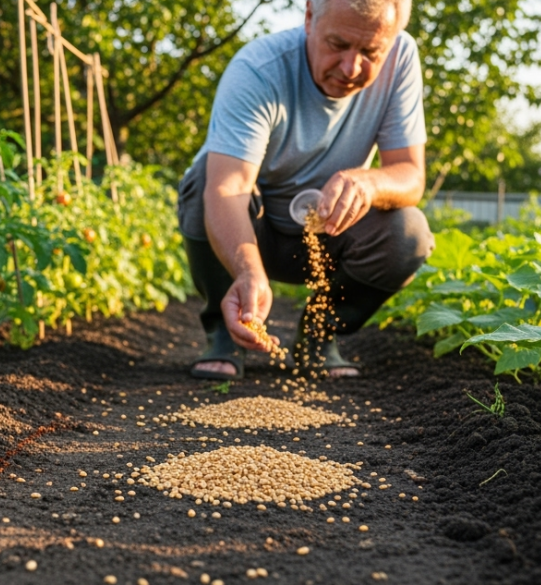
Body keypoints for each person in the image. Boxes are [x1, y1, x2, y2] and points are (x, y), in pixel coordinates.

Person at [178, 0, 434, 379]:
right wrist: (248, 271)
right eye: (337, 44)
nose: (351, 68)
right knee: (205, 179)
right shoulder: (259, 69)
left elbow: (411, 175)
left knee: (409, 234)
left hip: (330, 232)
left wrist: (370, 181)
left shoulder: (401, 57)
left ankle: (318, 336)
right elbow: (228, 188)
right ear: (310, 17)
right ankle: (226, 330)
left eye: (369, 52)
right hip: (253, 233)